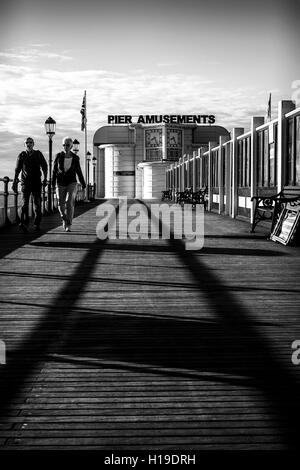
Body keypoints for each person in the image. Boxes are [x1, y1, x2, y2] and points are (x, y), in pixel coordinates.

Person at [12, 137, 48, 232]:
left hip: (36, 182)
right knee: (25, 204)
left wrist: (45, 178)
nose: (29, 144)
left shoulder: (38, 154)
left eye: (30, 142)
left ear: (33, 144)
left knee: (37, 204)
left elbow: (45, 166)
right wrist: (15, 181)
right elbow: (17, 169)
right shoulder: (22, 155)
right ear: (25, 145)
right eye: (27, 142)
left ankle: (36, 224)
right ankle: (24, 223)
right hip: (25, 183)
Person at [52, 137, 86, 232]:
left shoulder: (75, 158)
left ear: (71, 146)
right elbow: (54, 171)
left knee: (69, 201)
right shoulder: (58, 156)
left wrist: (83, 184)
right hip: (60, 182)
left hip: (72, 182)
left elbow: (78, 171)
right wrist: (52, 184)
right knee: (60, 203)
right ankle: (64, 217)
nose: (65, 147)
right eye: (64, 145)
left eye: (67, 145)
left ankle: (69, 224)